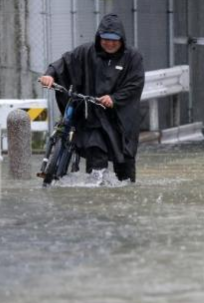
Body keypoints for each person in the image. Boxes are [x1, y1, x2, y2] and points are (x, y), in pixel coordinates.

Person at [39, 13, 145, 184]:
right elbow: (64, 62)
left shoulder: (133, 57)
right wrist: (49, 75)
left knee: (125, 166)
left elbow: (135, 84)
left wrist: (114, 98)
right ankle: (95, 188)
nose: (109, 44)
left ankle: (126, 190)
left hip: (120, 117)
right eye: (105, 39)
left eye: (114, 40)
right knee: (95, 150)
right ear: (99, 38)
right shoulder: (87, 52)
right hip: (93, 115)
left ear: (122, 39)